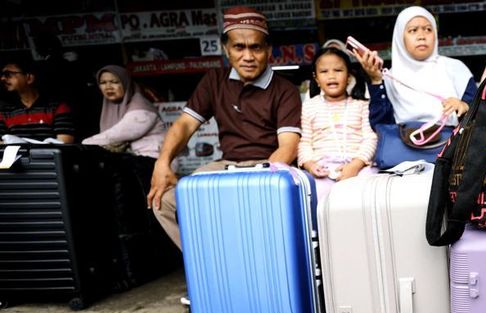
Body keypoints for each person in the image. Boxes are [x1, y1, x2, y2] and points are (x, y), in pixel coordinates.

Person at [146, 7, 302, 250]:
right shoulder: (214, 81)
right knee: (164, 201)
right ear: (226, 49)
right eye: (239, 47)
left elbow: (288, 148)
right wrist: (162, 162)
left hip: (269, 168)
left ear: (268, 51)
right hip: (226, 166)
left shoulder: (285, 90)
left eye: (256, 47)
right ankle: (206, 260)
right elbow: (185, 125)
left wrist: (251, 183)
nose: (248, 56)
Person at [354, 6, 476, 129]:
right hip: (403, 145)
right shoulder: (388, 78)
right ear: (400, 38)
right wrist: (376, 81)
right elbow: (381, 126)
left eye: (428, 29)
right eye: (413, 30)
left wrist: (463, 106)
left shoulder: (456, 69)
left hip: (452, 145)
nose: (422, 36)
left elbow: (479, 113)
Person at [299, 47, 378, 202]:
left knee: (370, 188)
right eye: (324, 71)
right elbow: (305, 141)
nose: (331, 76)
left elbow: (371, 138)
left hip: (358, 165)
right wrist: (309, 164)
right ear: (316, 79)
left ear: (348, 76)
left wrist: (355, 165)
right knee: (314, 194)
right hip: (323, 168)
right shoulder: (309, 106)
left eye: (338, 70)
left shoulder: (362, 105)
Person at [82, 65, 166, 158]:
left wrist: (85, 143)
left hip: (155, 161)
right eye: (103, 83)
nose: (108, 87)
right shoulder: (110, 108)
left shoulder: (141, 108)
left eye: (114, 82)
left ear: (126, 83)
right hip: (133, 161)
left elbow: (116, 134)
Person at [0, 58, 75, 143]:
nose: (2, 78)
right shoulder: (5, 112)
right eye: (2, 74)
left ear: (29, 78)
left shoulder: (58, 107)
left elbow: (64, 143)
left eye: (8, 74)